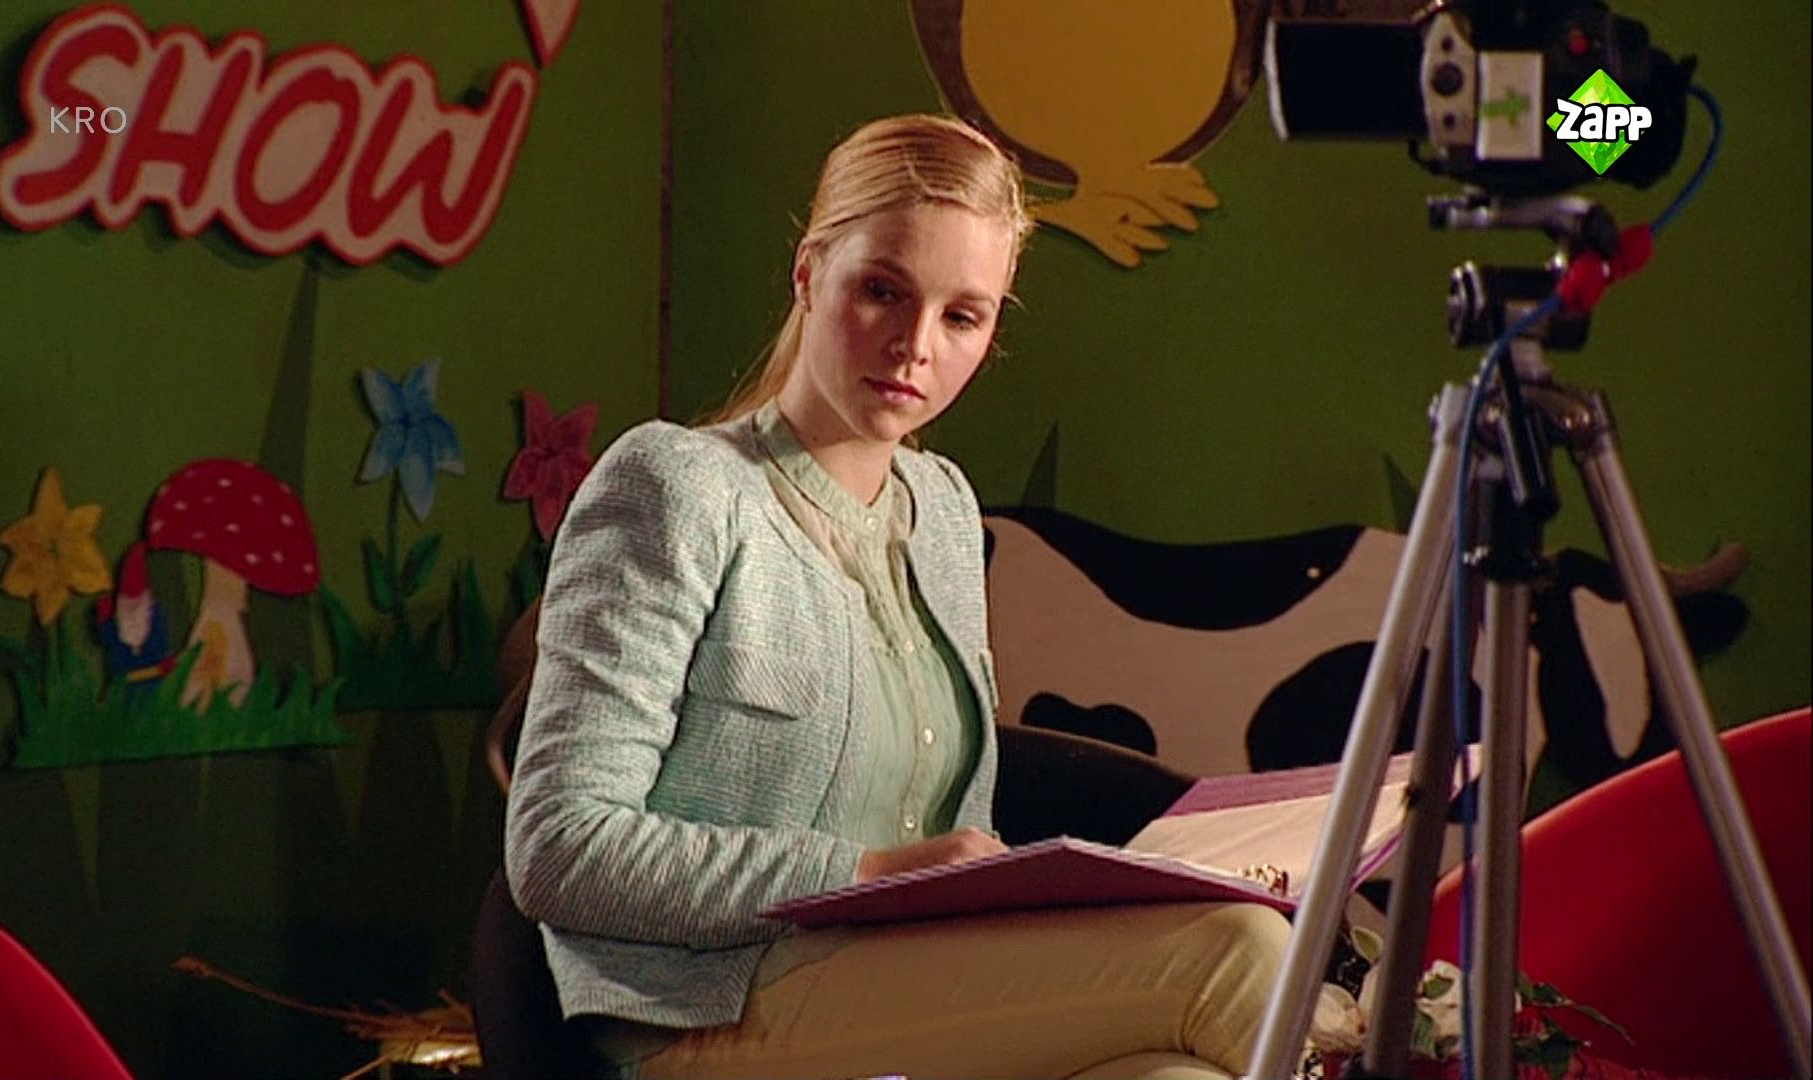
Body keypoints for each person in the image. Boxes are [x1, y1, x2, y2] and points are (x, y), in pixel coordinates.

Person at [505, 113, 1291, 1080]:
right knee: (1241, 952)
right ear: (808, 274)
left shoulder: (943, 509)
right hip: (708, 1013)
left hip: (911, 991)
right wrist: (867, 874)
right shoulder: (679, 486)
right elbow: (560, 850)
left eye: (963, 317)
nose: (916, 345)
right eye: (883, 291)